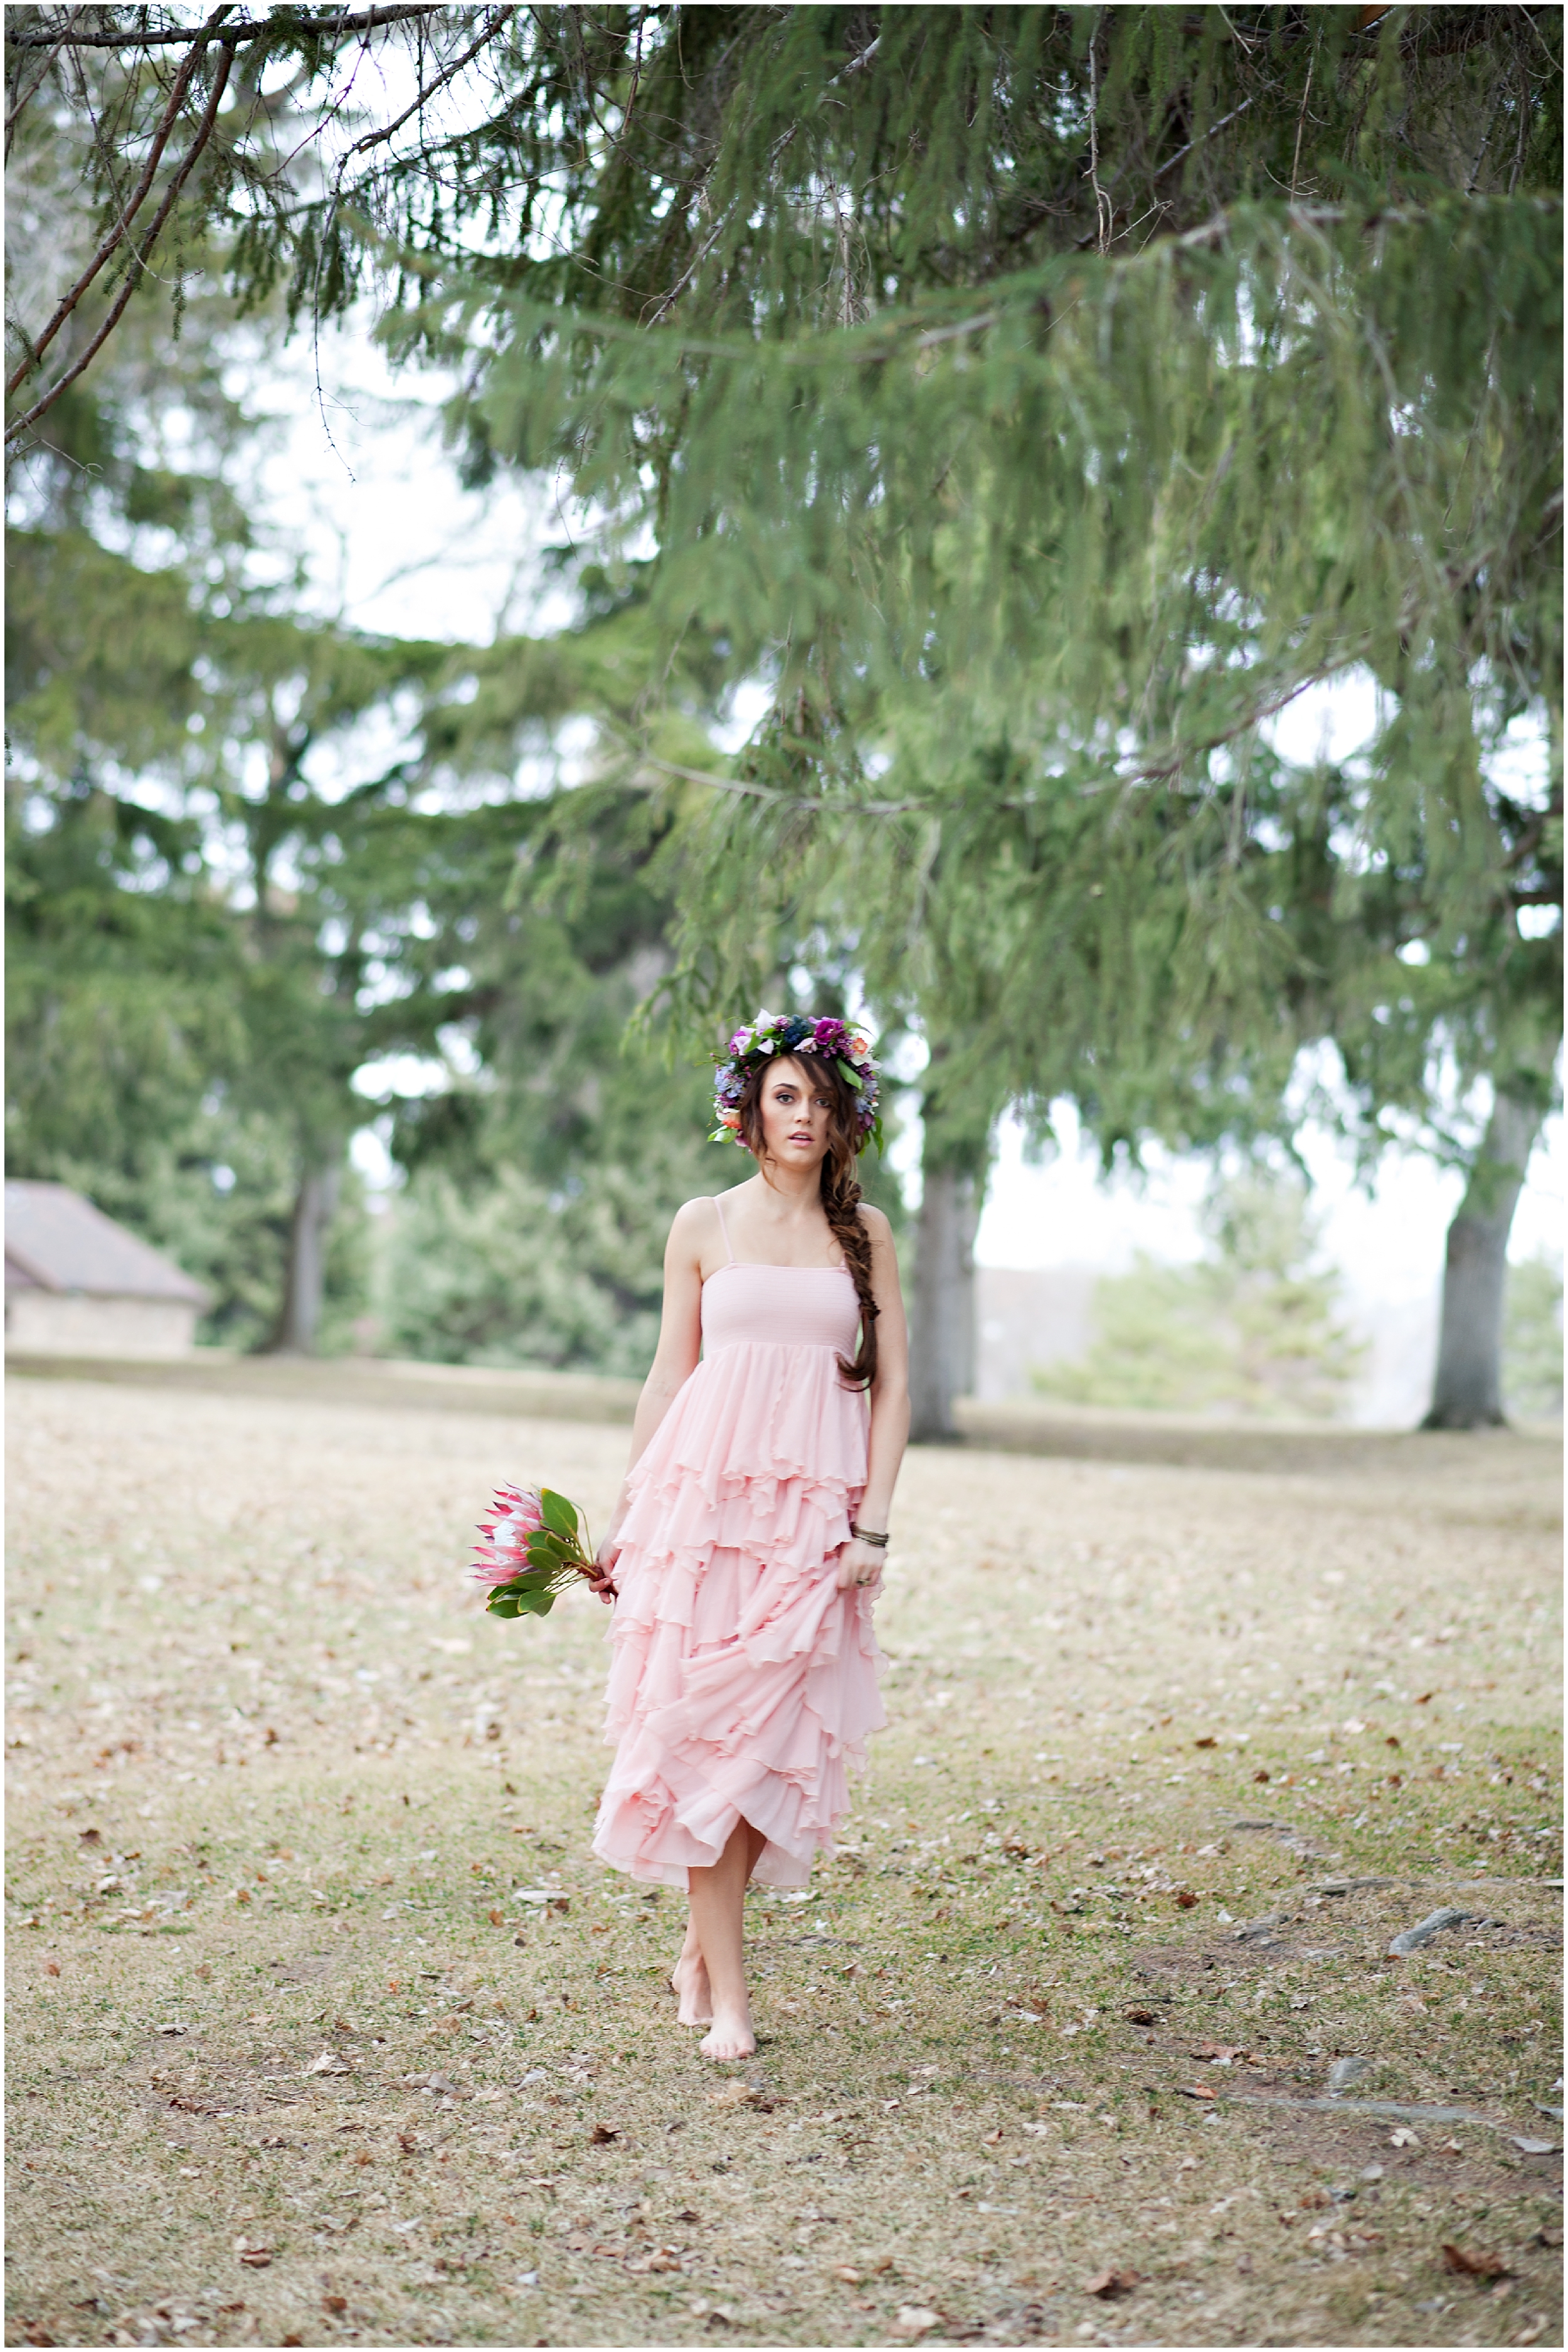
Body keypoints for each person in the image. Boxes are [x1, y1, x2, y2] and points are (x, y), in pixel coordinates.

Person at [589, 1012, 909, 2060]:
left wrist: (875, 1526)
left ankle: (698, 1945)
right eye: (784, 1096)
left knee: (776, 1749)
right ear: (749, 1110)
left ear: (843, 1113)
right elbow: (668, 1377)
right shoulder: (703, 1224)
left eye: (820, 1098)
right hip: (705, 1517)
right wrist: (631, 1518)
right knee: (702, 1739)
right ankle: (730, 1997)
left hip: (816, 1521)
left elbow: (896, 1387)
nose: (803, 1115)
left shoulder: (864, 1234)